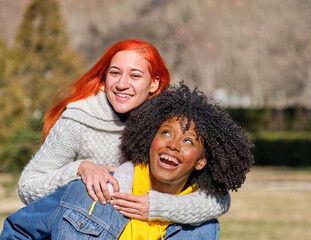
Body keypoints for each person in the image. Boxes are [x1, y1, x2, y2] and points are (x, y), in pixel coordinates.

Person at [1, 83, 254, 240]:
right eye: (166, 133)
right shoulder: (91, 193)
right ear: (149, 139)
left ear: (201, 162)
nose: (173, 144)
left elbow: (220, 201)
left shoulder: (201, 229)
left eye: (189, 141)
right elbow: (18, 231)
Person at [17, 39, 230, 224]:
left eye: (134, 76)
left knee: (205, 226)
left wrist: (156, 207)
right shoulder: (77, 120)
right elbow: (28, 187)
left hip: (145, 226)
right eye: (114, 73)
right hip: (88, 222)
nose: (121, 84)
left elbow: (219, 200)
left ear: (154, 84)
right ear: (104, 79)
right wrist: (79, 169)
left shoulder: (168, 124)